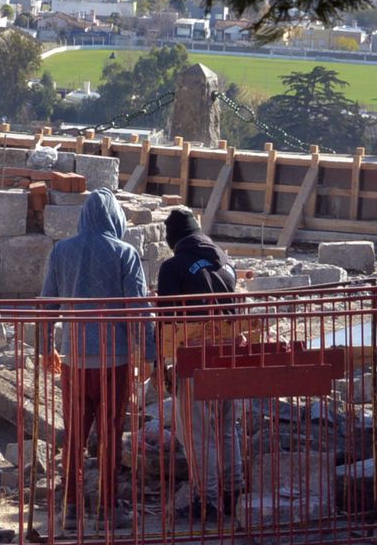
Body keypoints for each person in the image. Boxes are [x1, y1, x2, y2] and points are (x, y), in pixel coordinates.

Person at [41, 188, 151, 533]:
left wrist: (46, 348)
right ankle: (106, 511)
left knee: (74, 435)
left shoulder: (62, 251)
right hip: (113, 361)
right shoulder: (125, 253)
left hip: (74, 359)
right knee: (110, 434)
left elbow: (47, 305)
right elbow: (139, 308)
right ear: (115, 218)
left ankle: (71, 510)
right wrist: (147, 354)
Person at [156, 208, 244, 523]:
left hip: (194, 361)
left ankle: (206, 501)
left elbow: (165, 323)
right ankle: (234, 492)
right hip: (231, 357)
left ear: (173, 237)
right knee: (225, 428)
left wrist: (160, 365)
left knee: (197, 434)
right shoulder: (224, 261)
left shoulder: (172, 267)